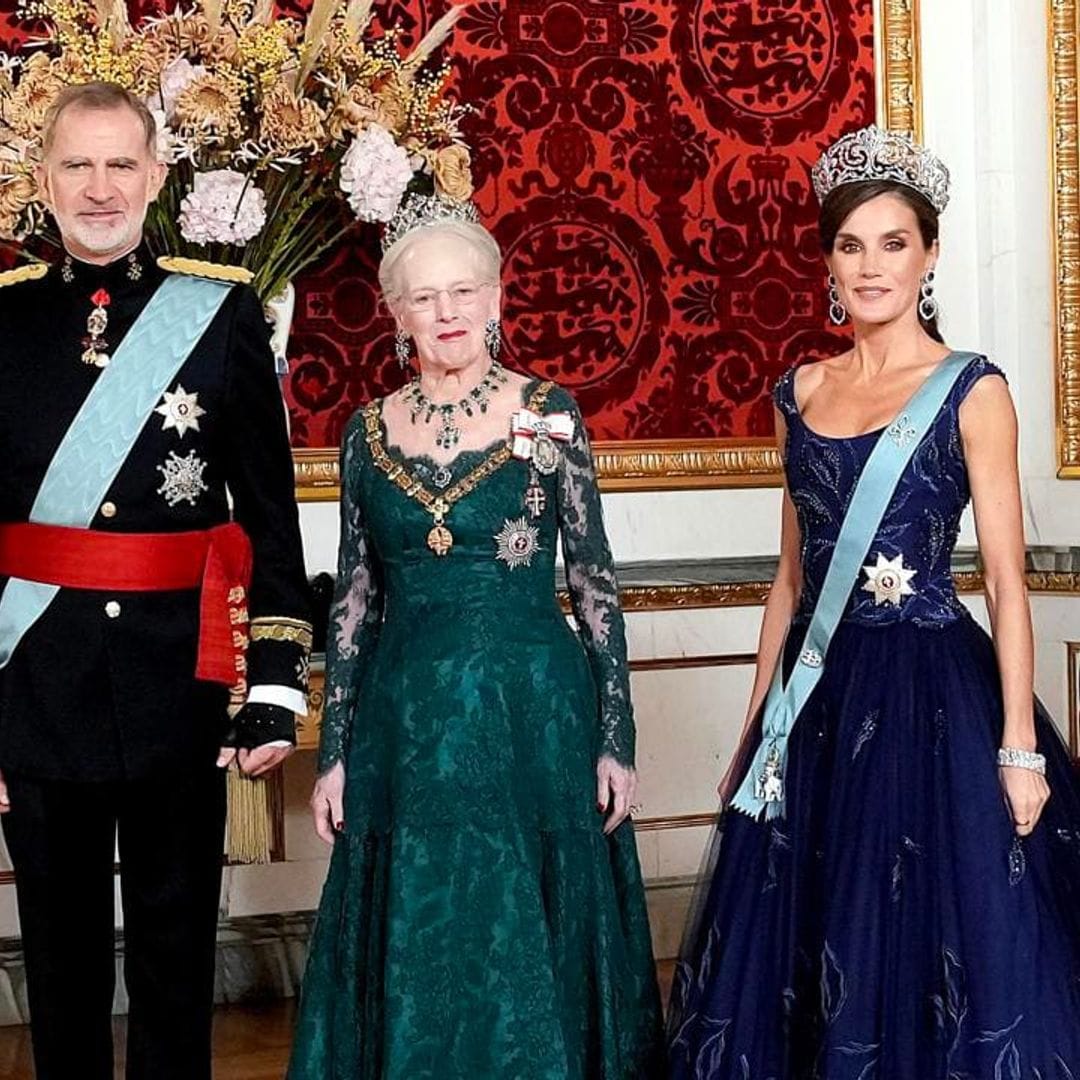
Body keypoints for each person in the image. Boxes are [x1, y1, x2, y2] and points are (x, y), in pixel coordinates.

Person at [667, 126, 1080, 1078]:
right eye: (850, 245)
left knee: (944, 931)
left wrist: (1017, 744)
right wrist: (755, 727)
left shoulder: (973, 391)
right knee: (811, 932)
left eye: (893, 243)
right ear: (827, 263)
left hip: (936, 694)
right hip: (820, 699)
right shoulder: (799, 391)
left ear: (929, 255)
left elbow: (1007, 585)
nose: (871, 266)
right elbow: (790, 583)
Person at [288, 193, 664, 1079]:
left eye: (464, 292)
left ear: (498, 300)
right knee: (428, 924)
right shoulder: (366, 433)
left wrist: (617, 738)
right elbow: (354, 597)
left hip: (536, 719)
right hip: (404, 726)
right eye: (423, 297)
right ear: (396, 314)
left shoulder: (552, 414)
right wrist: (333, 751)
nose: (446, 312)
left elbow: (594, 584)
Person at [0, 83, 311, 1079]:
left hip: (180, 678)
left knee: (179, 954)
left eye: (120, 164)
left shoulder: (218, 315)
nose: (99, 189)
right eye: (78, 166)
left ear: (156, 175)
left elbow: (269, 514)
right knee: (60, 958)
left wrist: (271, 685)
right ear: (43, 179)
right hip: (35, 683)